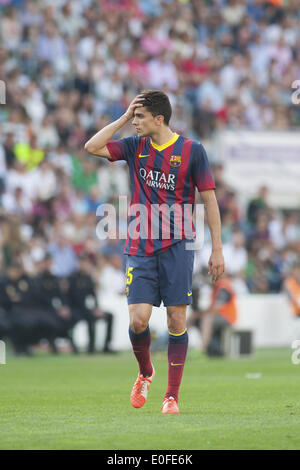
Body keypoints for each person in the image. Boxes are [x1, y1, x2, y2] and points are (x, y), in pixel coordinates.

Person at [84, 90, 225, 414]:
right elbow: (91, 147)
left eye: (139, 117)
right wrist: (122, 117)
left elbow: (209, 200)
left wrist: (216, 248)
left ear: (159, 119)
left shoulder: (192, 151)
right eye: (133, 117)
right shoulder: (135, 147)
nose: (134, 123)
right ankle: (146, 372)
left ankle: (171, 396)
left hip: (178, 246)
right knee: (138, 320)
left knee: (177, 319)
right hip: (140, 244)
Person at [68, 253, 115, 354]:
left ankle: (107, 345)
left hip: (88, 309)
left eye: (85, 263)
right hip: (76, 309)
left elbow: (93, 295)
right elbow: (73, 297)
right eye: (81, 263)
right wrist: (90, 309)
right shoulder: (72, 278)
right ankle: (91, 348)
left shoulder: (89, 278)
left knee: (110, 316)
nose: (83, 265)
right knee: (90, 317)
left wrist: (97, 308)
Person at [188, 275, 238, 357]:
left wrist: (199, 313)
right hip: (218, 317)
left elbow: (216, 309)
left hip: (227, 317)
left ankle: (203, 349)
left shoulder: (223, 288)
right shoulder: (217, 287)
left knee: (206, 319)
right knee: (194, 319)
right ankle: (182, 347)